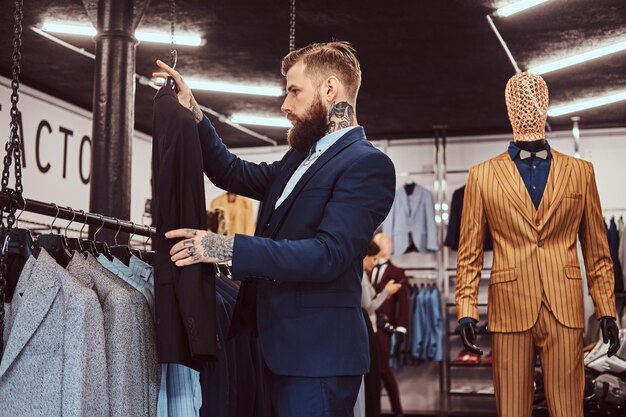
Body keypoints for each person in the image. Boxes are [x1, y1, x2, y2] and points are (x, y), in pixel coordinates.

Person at [153, 41, 396, 417]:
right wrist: (196, 115)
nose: (285, 105)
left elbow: (328, 254)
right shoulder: (300, 158)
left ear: (329, 89)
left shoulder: (368, 165)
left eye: (294, 91)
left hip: (318, 361)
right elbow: (231, 171)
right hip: (274, 350)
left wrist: (226, 248)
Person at [455, 72, 619, 417]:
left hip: (564, 306)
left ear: (546, 106)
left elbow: (597, 249)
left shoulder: (580, 172)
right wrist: (467, 309)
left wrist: (606, 308)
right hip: (509, 308)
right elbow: (469, 255)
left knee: (568, 409)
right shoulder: (482, 175)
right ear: (508, 108)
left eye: (534, 99)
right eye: (519, 100)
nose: (527, 106)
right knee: (513, 408)